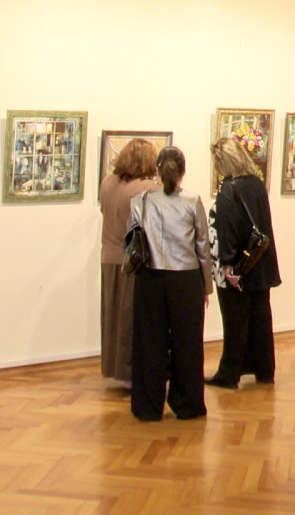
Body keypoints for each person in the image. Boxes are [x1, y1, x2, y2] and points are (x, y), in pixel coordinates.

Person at [128, 146, 213, 421]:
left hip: (149, 278)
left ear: (157, 170)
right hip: (186, 279)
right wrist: (207, 287)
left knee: (149, 342)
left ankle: (148, 406)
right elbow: (203, 248)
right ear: (183, 172)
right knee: (187, 343)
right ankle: (188, 404)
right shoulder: (192, 202)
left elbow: (130, 242)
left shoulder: (139, 202)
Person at [205, 137, 281, 389]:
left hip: (239, 265)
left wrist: (229, 266)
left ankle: (229, 373)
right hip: (260, 262)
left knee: (235, 321)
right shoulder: (256, 183)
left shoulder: (229, 189)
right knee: (261, 318)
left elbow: (228, 229)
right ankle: (264, 370)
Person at [98, 139, 159, 389]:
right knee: (131, 318)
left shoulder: (107, 183)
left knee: (113, 317)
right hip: (135, 261)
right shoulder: (147, 188)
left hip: (109, 258)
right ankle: (131, 374)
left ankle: (115, 368)